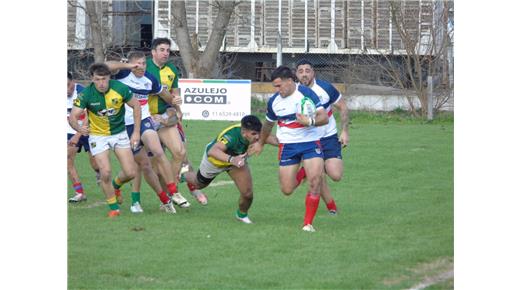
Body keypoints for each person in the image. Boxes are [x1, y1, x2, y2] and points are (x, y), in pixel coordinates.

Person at [249, 66, 329, 232]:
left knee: (315, 182)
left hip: (310, 142)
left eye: (279, 86)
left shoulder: (306, 93)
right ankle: (304, 172)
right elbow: (268, 125)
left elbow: (323, 118)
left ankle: (308, 224)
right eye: (275, 87)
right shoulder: (274, 102)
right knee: (287, 189)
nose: (277, 90)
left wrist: (309, 122)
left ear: (290, 81)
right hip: (288, 146)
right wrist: (260, 143)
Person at [105, 51, 187, 214]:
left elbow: (166, 96)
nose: (141, 67)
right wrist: (128, 66)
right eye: (138, 64)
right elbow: (106, 66)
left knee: (158, 151)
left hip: (144, 121)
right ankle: (121, 189)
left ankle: (172, 191)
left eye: (143, 63)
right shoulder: (122, 74)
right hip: (124, 126)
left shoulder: (149, 79)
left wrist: (177, 106)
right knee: (140, 165)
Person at [69, 63, 141, 217]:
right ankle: (113, 208)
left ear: (109, 77)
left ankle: (116, 185)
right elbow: (73, 116)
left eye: (104, 79)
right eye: (97, 79)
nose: (101, 83)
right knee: (105, 172)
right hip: (98, 136)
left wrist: (135, 132)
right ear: (92, 79)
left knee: (130, 173)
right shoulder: (86, 94)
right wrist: (79, 128)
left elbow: (136, 106)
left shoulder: (120, 88)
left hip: (119, 133)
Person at [146, 37, 208, 206]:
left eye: (168, 50)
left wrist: (178, 111)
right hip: (146, 120)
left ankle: (177, 192)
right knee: (154, 166)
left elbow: (175, 95)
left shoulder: (172, 69)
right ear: (153, 52)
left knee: (181, 154)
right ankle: (167, 197)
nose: (166, 53)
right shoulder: (144, 68)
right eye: (162, 50)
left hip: (165, 117)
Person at [184, 115, 265, 224]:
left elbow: (272, 138)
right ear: (244, 132)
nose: (258, 137)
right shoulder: (231, 136)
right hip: (215, 161)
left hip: (235, 161)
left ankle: (241, 215)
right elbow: (212, 151)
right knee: (199, 185)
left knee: (247, 193)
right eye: (254, 134)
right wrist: (232, 159)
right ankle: (183, 174)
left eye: (259, 133)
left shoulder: (257, 135)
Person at [295, 59, 350, 214]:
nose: (304, 74)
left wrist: (345, 131)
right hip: (308, 140)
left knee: (336, 175)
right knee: (318, 175)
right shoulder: (294, 92)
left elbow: (343, 107)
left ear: (313, 72)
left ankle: (308, 169)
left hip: (329, 136)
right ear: (296, 74)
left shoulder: (325, 88)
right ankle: (332, 207)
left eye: (307, 70)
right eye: (301, 71)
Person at [67, 72, 101, 202]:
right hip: (69, 131)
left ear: (73, 82)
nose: (66, 90)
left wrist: (78, 134)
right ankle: (80, 193)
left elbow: (89, 117)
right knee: (67, 159)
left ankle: (99, 172)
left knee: (95, 162)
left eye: (68, 85)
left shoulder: (83, 92)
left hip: (88, 129)